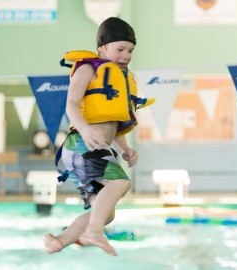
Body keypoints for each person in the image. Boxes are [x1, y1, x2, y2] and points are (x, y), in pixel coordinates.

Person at [43, 17, 153, 257]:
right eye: (120, 49)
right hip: (81, 144)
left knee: (107, 212)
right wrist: (84, 128)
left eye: (131, 50)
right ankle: (93, 232)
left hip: (95, 148)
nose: (126, 55)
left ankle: (60, 239)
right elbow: (71, 104)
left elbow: (112, 121)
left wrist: (124, 148)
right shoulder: (88, 68)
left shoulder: (121, 77)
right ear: (102, 48)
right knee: (121, 183)